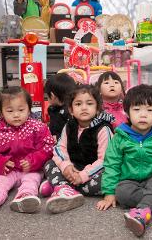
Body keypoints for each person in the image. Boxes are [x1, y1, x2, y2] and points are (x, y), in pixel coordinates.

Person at [96, 84, 152, 237]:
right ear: (127, 112)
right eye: (137, 110)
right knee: (121, 194)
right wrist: (108, 192)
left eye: (149, 110)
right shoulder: (120, 136)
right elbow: (112, 164)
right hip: (129, 179)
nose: (143, 115)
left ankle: (142, 213)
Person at [0, 87, 54, 218]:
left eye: (21, 110)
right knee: (0, 184)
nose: (16, 115)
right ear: (1, 113)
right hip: (8, 170)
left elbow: (48, 147)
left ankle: (25, 198)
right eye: (10, 111)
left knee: (31, 181)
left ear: (29, 109)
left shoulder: (38, 128)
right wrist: (0, 163)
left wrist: (33, 161)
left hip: (30, 169)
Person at [41, 84, 114, 214]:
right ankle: (64, 187)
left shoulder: (103, 129)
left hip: (94, 172)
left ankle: (60, 186)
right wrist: (66, 166)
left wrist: (83, 175)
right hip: (73, 168)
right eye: (78, 104)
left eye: (89, 103)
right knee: (50, 163)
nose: (84, 108)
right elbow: (59, 148)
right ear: (71, 109)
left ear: (97, 109)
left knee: (109, 181)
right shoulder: (69, 126)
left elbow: (106, 160)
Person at [44, 73, 77, 141]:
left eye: (47, 95)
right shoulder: (52, 108)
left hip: (65, 144)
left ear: (52, 96)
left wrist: (58, 137)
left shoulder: (69, 112)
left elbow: (73, 132)